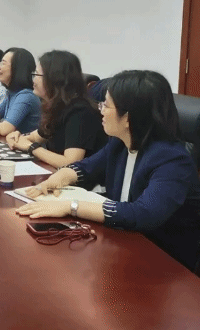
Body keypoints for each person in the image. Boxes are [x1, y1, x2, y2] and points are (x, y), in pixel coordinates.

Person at [16, 70, 200, 270]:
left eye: (106, 105)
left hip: (164, 262)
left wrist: (72, 207)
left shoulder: (172, 161)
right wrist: (60, 177)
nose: (100, 111)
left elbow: (143, 213)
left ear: (128, 118)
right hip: (123, 243)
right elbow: (88, 167)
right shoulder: (120, 144)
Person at [5, 50, 107, 168]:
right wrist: (17, 137)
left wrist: (31, 147)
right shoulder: (58, 106)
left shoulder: (80, 111)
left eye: (37, 75)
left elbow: (70, 163)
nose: (33, 80)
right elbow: (37, 136)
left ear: (55, 79)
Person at [0, 47, 41, 136]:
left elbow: (5, 129)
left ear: (17, 69)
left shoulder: (26, 95)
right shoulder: (12, 93)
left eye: (3, 64)